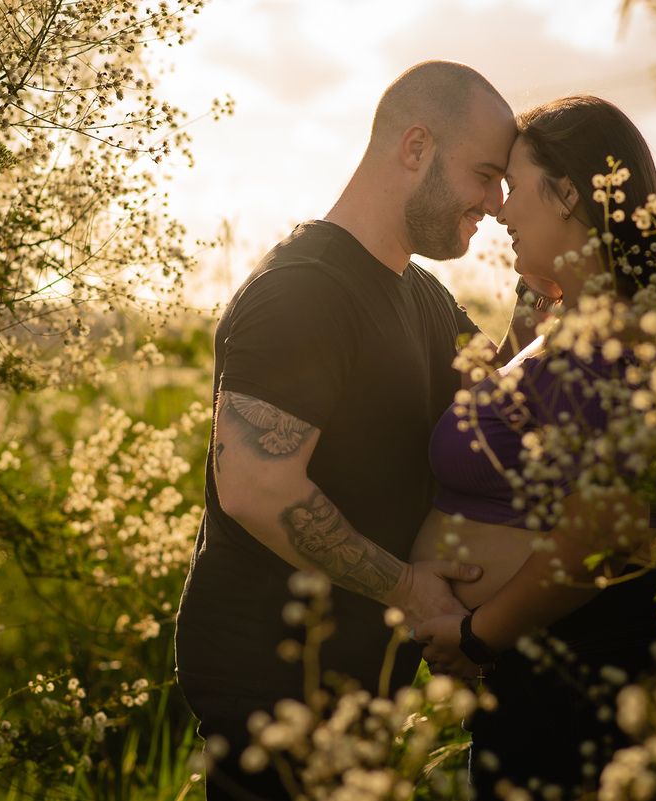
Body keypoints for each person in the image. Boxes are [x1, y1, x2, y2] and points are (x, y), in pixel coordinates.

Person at [174, 61, 518, 801]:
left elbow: (505, 401)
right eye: (486, 175)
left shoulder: (424, 296)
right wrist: (413, 592)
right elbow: (258, 490)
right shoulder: (302, 293)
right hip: (274, 691)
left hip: (362, 693)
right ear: (416, 147)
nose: (497, 201)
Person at [411, 96, 656, 798]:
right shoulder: (576, 327)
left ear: (571, 192)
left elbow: (603, 527)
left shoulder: (617, 335)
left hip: (590, 671)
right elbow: (528, 413)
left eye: (514, 187)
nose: (499, 208)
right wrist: (540, 279)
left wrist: (480, 633)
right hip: (553, 668)